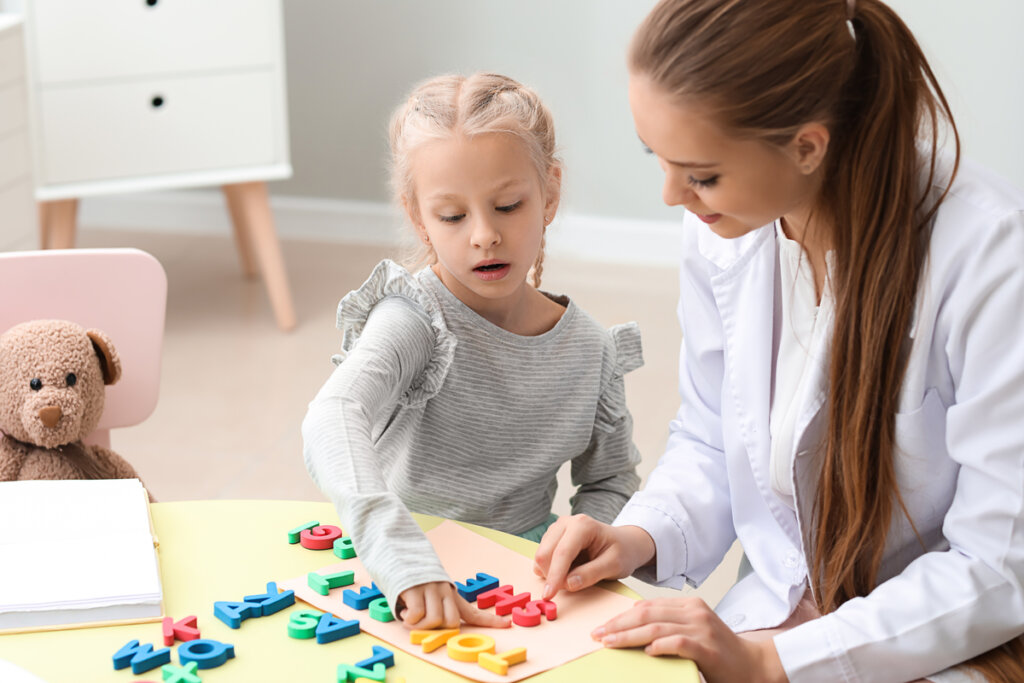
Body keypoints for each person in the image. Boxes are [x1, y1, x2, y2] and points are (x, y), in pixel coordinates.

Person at [534, 1, 1024, 681]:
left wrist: (769, 660)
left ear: (807, 146)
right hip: (785, 606)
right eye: (660, 158)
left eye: (701, 173)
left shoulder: (991, 257)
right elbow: (712, 433)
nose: (673, 194)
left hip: (942, 631)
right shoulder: (725, 226)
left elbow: (998, 564)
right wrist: (637, 534)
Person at [302, 72, 643, 632]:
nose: (484, 235)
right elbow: (333, 416)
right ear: (418, 217)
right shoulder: (413, 319)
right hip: (405, 572)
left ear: (550, 193)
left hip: (520, 582)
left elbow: (609, 482)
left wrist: (586, 537)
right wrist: (400, 556)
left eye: (508, 205)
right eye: (453, 216)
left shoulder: (591, 349)